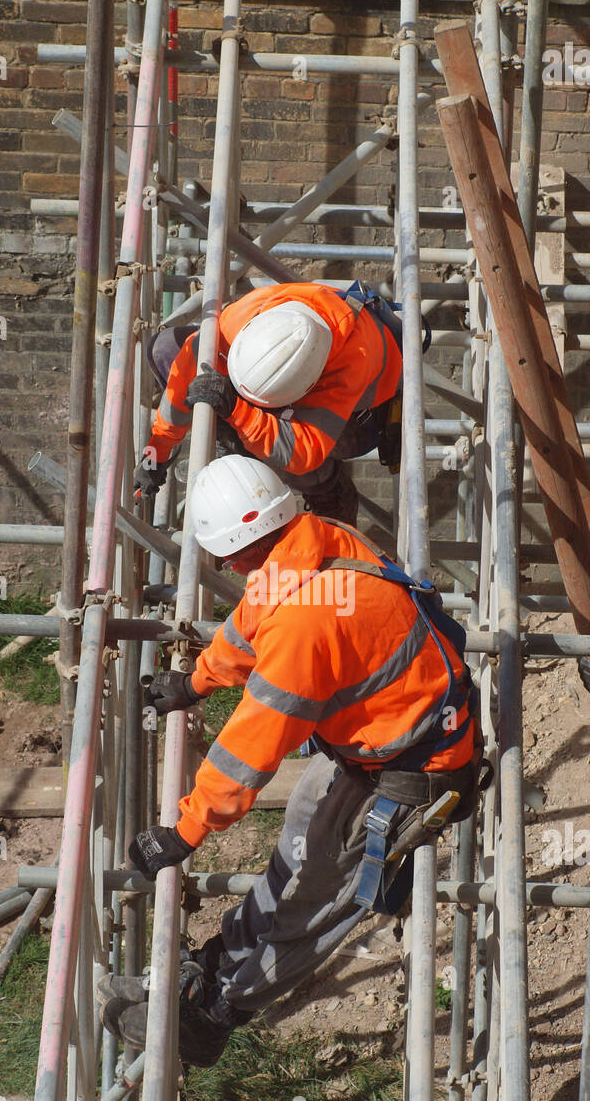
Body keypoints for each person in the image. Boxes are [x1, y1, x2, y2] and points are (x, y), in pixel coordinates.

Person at [99, 455, 487, 1067]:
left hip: (420, 767)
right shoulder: (315, 541)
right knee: (295, 857)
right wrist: (197, 682)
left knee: (318, 898)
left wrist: (185, 830)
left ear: (241, 547)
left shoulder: (306, 624)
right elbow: (251, 624)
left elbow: (251, 744)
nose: (225, 569)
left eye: (226, 556)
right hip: (375, 743)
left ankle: (212, 1018)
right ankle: (217, 963)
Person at [133, 281, 404, 527]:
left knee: (278, 451)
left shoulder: (353, 360)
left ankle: (328, 489)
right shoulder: (240, 319)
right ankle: (240, 434)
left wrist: (238, 412)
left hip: (364, 417)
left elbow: (303, 451)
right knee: (166, 348)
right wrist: (156, 453)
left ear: (307, 386)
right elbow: (184, 377)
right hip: (280, 376)